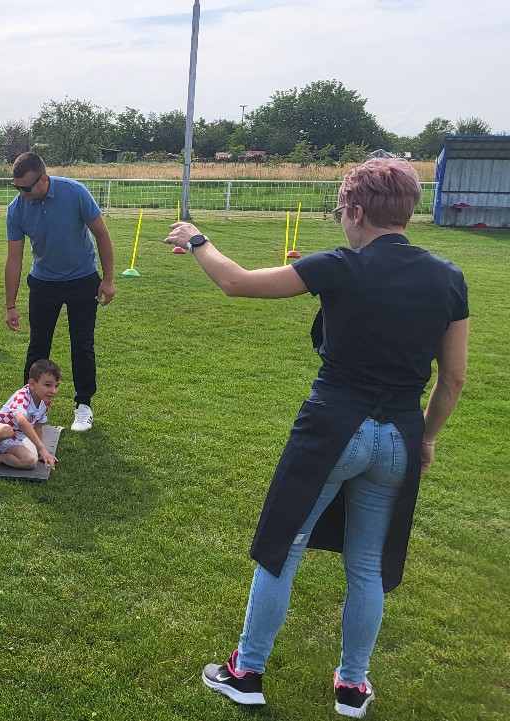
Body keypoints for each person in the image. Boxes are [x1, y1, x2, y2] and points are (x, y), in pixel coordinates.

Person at [163, 158, 468, 718]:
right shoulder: (448, 277)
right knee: (367, 566)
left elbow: (236, 283)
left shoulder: (340, 265)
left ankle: (246, 672)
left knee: (283, 549)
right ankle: (352, 687)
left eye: (340, 212)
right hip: (399, 437)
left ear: (357, 211)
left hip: (332, 430)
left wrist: (197, 238)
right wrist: (425, 438)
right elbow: (453, 379)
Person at [4, 152, 115, 433]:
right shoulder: (16, 209)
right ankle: (28, 408)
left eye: (26, 188)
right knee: (38, 346)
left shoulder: (75, 192)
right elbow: (14, 258)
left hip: (83, 279)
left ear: (44, 179)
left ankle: (83, 405)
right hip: (44, 282)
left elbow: (102, 234)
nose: (22, 194)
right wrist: (10, 305)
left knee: (82, 344)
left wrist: (108, 280)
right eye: (17, 187)